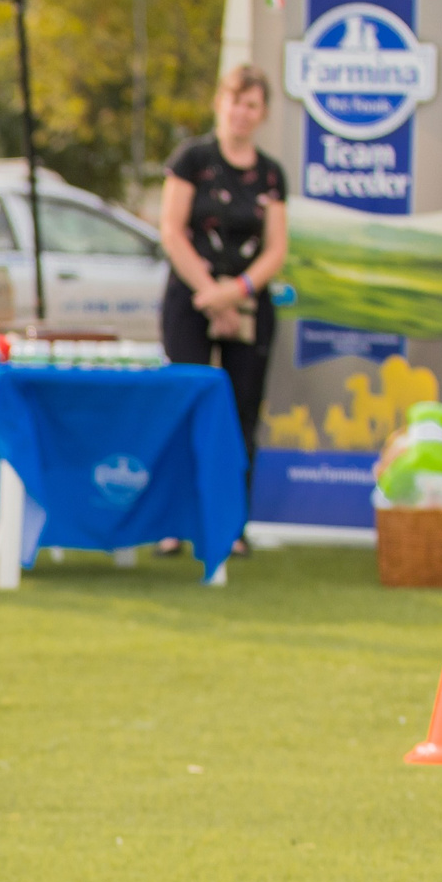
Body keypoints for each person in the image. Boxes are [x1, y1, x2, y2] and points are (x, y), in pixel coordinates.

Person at [159, 63, 288, 556]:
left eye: (252, 104)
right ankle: (173, 521)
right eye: (236, 100)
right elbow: (172, 230)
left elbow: (276, 248)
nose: (242, 113)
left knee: (239, 414)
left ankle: (230, 524)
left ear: (263, 113)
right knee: (184, 405)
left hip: (248, 303)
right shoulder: (192, 160)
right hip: (191, 298)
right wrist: (210, 294)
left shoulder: (271, 174)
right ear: (220, 102)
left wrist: (236, 293)